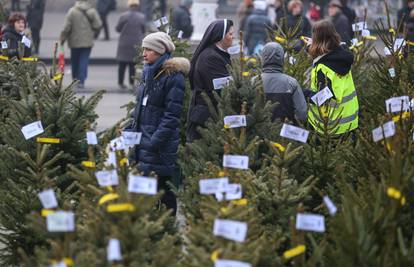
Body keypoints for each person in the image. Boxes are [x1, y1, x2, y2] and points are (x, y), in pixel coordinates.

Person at [128, 32, 189, 215]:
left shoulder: (173, 76)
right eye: (144, 49)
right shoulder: (148, 72)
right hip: (143, 142)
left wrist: (154, 142)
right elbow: (142, 107)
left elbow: (171, 116)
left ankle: (169, 230)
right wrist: (130, 129)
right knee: (146, 190)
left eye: (148, 49)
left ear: (160, 51)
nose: (144, 53)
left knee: (163, 189)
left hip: (158, 146)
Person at [304, 20, 358, 136]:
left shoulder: (322, 69)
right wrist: (310, 46)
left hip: (330, 125)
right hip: (349, 122)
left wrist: (304, 93)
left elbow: (323, 98)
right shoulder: (342, 54)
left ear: (317, 40)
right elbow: (328, 54)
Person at [186, 19, 235, 143]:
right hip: (206, 117)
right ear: (220, 36)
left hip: (212, 114)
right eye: (230, 34)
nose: (233, 37)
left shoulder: (218, 54)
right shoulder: (210, 57)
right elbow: (219, 86)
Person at [260, 42, 307, 122]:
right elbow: (302, 114)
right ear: (282, 58)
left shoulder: (253, 82)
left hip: (258, 133)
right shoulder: (291, 83)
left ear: (263, 58)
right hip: (285, 132)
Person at [60, 0, 102, 88]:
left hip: (74, 41)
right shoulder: (92, 11)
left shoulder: (72, 11)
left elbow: (67, 27)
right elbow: (98, 25)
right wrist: (93, 32)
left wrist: (62, 39)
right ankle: (81, 81)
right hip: (87, 41)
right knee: (84, 61)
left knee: (75, 60)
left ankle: (75, 79)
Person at [116, 0, 146, 89]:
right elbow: (143, 30)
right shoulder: (142, 17)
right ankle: (131, 82)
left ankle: (120, 82)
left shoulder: (123, 16)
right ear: (137, 6)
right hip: (136, 43)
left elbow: (118, 28)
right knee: (133, 64)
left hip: (124, 42)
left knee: (122, 64)